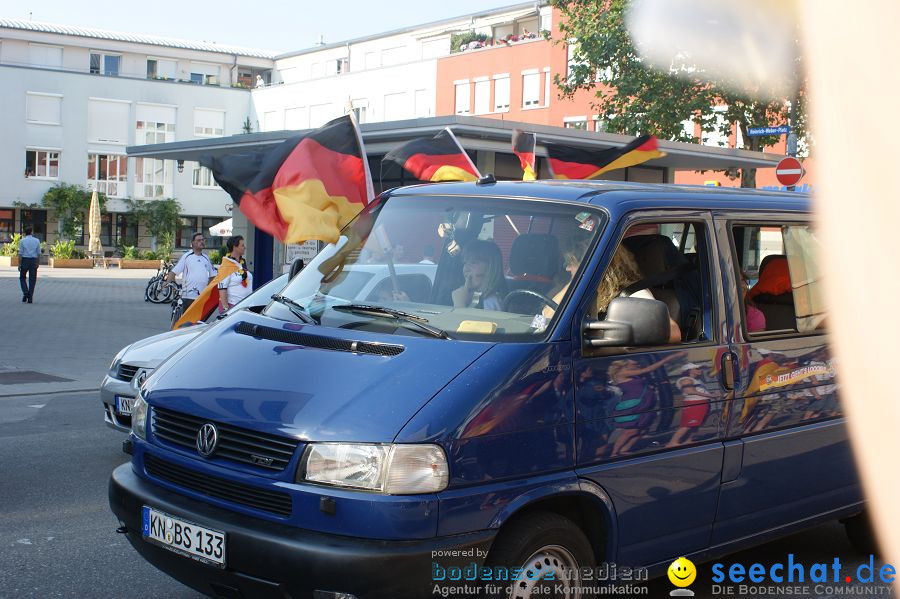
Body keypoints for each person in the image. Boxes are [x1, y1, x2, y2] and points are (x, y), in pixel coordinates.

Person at [166, 232, 216, 313]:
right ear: (192, 242)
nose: (202, 242)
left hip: (202, 297)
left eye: (203, 240)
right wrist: (169, 284)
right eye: (199, 240)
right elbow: (173, 272)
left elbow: (213, 275)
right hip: (188, 296)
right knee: (186, 323)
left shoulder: (206, 258)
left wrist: (207, 289)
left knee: (198, 323)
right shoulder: (187, 256)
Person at [451, 239, 507, 311]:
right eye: (465, 263)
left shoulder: (491, 301)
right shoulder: (476, 297)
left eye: (473, 263)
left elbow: (463, 322)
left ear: (490, 267)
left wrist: (459, 303)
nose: (466, 269)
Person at [218, 235, 253, 310]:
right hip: (232, 306)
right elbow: (222, 288)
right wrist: (225, 309)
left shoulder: (242, 262)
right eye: (242, 245)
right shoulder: (226, 265)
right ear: (235, 247)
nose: (245, 247)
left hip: (244, 306)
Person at [18, 226, 40, 303]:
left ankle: (25, 292)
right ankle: (30, 297)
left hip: (25, 260)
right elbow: (38, 253)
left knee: (22, 277)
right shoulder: (37, 240)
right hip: (33, 260)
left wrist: (19, 264)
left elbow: (20, 254)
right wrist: (38, 262)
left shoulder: (22, 241)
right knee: (32, 279)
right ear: (31, 232)